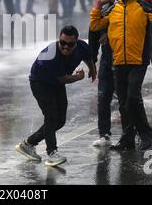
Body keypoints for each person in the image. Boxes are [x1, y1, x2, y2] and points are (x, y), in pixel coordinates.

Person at [90, 0, 152, 151]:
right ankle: (128, 138)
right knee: (124, 102)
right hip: (118, 62)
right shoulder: (112, 9)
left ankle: (146, 134)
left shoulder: (143, 6)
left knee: (132, 98)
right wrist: (98, 5)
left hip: (138, 60)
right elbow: (95, 25)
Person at [16, 25, 96, 166]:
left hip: (56, 83)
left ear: (76, 42)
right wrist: (78, 77)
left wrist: (93, 69)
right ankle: (52, 153)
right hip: (40, 82)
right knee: (51, 116)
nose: (65, 47)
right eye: (62, 43)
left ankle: (28, 144)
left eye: (70, 44)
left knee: (60, 121)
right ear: (59, 39)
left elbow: (88, 57)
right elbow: (63, 79)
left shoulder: (82, 46)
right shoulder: (52, 55)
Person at [90, 0, 117, 147]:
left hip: (124, 60)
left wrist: (108, 33)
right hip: (107, 59)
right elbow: (93, 33)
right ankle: (104, 133)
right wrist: (92, 61)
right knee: (103, 97)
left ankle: (132, 132)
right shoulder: (102, 10)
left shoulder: (127, 8)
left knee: (128, 98)